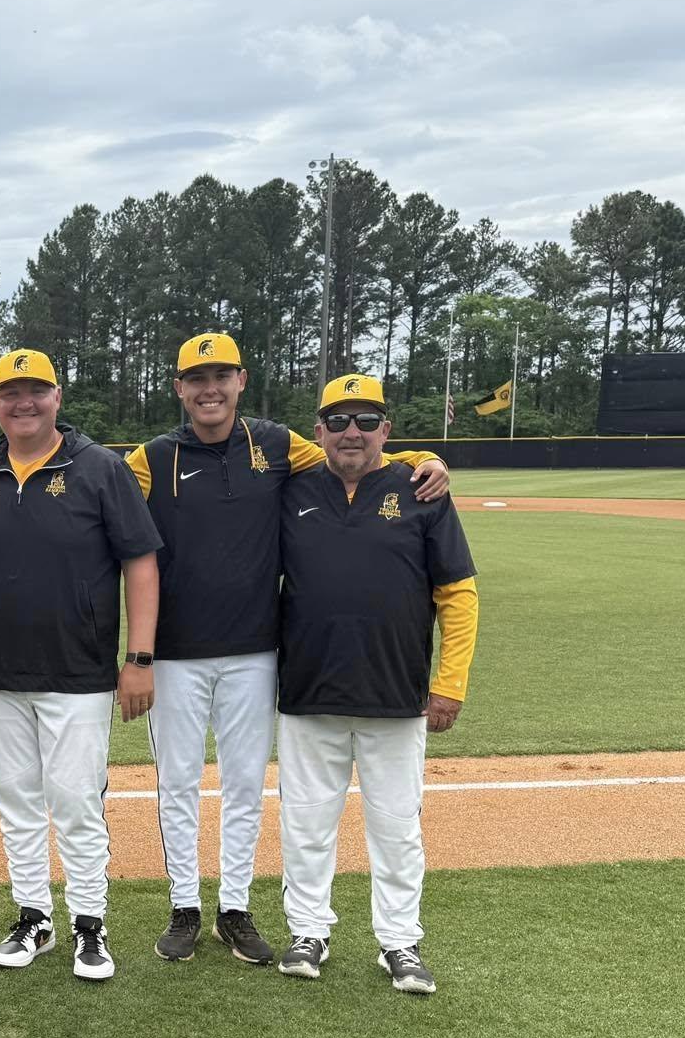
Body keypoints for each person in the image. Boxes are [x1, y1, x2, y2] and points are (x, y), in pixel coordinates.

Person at [128, 331, 449, 967]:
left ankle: (235, 909)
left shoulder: (276, 446)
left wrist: (425, 459)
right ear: (179, 388)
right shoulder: (152, 457)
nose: (209, 388)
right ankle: (185, 905)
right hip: (174, 652)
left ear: (241, 381)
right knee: (178, 784)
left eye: (221, 375)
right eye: (197, 378)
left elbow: (355, 453)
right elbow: (91, 484)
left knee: (246, 785)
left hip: (255, 651)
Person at [0, 350, 162, 982]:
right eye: (9, 393)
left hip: (78, 668)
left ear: (57, 396)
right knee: (16, 800)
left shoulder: (100, 468)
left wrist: (139, 658)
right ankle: (33, 917)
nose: (23, 403)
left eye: (36, 391)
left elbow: (141, 563)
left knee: (76, 800)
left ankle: (90, 925)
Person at [273, 374, 478, 994]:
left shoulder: (421, 488)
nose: (351, 432)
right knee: (306, 824)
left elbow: (458, 592)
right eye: (337, 421)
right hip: (310, 691)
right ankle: (309, 929)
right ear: (319, 431)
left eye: (366, 420)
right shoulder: (292, 490)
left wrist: (451, 682)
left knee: (396, 826)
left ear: (386, 429)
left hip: (397, 693)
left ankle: (400, 942)